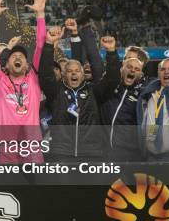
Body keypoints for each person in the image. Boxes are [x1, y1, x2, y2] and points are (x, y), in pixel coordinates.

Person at [0, 0, 48, 163]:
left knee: (35, 190)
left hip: (33, 149)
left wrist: (40, 15)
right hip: (7, 150)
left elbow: (40, 46)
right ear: (5, 64)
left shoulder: (33, 78)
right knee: (8, 190)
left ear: (28, 65)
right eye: (14, 56)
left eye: (22, 56)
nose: (18, 57)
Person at [40, 33, 120, 162]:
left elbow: (112, 79)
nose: (73, 73)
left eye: (77, 71)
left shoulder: (94, 92)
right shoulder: (56, 92)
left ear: (83, 75)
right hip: (61, 152)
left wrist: (111, 52)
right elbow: (45, 75)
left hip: (91, 152)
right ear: (64, 75)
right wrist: (49, 44)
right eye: (70, 71)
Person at [99, 56, 145, 161]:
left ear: (140, 74)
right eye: (129, 67)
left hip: (128, 155)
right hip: (103, 153)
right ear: (122, 69)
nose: (133, 70)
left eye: (137, 69)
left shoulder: (143, 96)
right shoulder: (108, 88)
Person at [137, 59, 169, 161]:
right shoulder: (149, 94)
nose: (166, 72)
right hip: (150, 158)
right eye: (163, 69)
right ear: (158, 73)